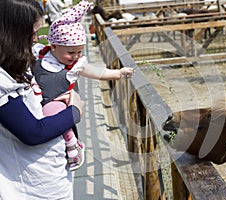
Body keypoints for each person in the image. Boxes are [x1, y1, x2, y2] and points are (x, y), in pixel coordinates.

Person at [33, 0, 135, 171]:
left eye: (80, 51)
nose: (76, 56)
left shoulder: (74, 65)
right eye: (71, 52)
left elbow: (97, 72)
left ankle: (72, 145)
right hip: (38, 105)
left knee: (56, 116)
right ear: (54, 46)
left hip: (59, 106)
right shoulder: (39, 56)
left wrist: (118, 74)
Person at [0, 0, 84, 199]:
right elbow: (32, 133)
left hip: (49, 176)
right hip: (29, 187)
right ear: (14, 33)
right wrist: (75, 111)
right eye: (33, 33)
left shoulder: (17, 64)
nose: (37, 38)